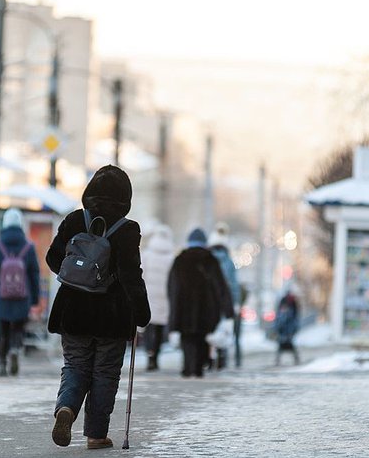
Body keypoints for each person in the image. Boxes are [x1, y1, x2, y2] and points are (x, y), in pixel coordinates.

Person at [46, 165, 151, 450]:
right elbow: (131, 275)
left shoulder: (74, 220)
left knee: (75, 365)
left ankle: (66, 407)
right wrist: (142, 312)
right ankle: (96, 435)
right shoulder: (128, 230)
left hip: (73, 311)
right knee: (104, 372)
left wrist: (78, 277)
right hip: (112, 317)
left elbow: (53, 258)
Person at [167, 228, 233, 378]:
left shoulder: (180, 260)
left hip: (183, 308)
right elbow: (221, 286)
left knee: (186, 337)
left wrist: (173, 306)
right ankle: (198, 367)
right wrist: (227, 309)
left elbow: (172, 287)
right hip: (206, 309)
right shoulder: (210, 259)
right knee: (201, 337)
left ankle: (187, 366)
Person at [0, 208, 41, 376]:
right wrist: (35, 298)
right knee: (18, 328)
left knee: (3, 331)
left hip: (2, 296)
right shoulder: (28, 247)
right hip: (22, 296)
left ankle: (2, 363)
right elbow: (34, 274)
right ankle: (15, 350)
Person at [140, 223, 175, 371]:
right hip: (165, 297)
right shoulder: (172, 257)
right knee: (160, 329)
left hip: (150, 296)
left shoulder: (147, 255)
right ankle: (156, 356)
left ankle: (149, 354)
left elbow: (141, 274)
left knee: (149, 327)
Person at [208, 223, 240, 370]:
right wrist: (236, 302)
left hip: (209, 300)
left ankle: (209, 359)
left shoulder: (207, 260)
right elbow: (233, 284)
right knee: (223, 329)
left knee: (209, 329)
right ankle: (221, 358)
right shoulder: (228, 261)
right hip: (224, 299)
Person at [273, 291, 301, 365]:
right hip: (283, 334)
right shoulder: (281, 315)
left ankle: (296, 359)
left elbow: (294, 324)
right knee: (281, 347)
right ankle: (278, 360)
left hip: (288, 334)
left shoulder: (290, 314)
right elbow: (277, 324)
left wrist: (291, 333)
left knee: (290, 347)